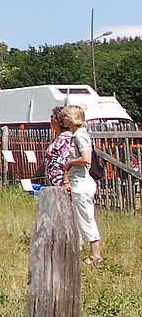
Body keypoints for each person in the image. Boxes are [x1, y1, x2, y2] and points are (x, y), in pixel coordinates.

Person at [61, 105, 103, 264]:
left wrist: (69, 163)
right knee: (81, 218)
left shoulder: (79, 136)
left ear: (71, 118)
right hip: (79, 181)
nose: (63, 119)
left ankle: (95, 254)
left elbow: (86, 158)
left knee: (86, 218)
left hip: (82, 183)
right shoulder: (77, 135)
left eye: (65, 116)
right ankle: (81, 249)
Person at [43, 106, 75, 188]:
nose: (51, 119)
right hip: (55, 181)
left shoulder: (65, 138)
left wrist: (65, 180)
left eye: (52, 116)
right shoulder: (59, 137)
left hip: (62, 181)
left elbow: (66, 159)